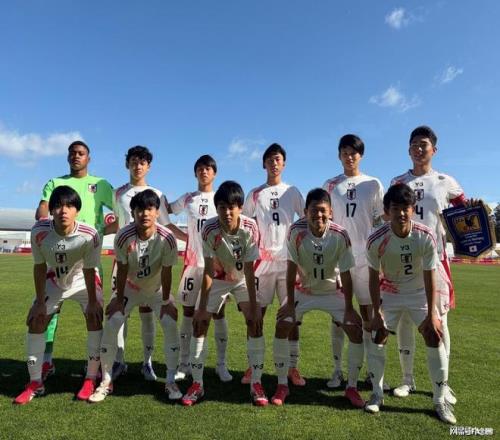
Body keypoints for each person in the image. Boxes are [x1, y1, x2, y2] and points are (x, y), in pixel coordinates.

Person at [365, 183, 456, 425]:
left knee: (434, 334)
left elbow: (430, 276)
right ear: (387, 211)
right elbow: (373, 278)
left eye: (406, 208)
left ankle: (439, 399)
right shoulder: (376, 239)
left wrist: (432, 313)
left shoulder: (424, 236)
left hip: (418, 293)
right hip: (391, 292)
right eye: (395, 208)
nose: (401, 213)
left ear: (413, 209)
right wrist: (376, 313)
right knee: (378, 334)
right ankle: (377, 394)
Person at [390, 126, 465, 405]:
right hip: (404, 258)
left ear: (434, 149)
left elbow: (465, 213)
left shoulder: (446, 181)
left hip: (436, 259)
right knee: (405, 320)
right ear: (408, 150)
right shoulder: (398, 182)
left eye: (424, 144)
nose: (419, 149)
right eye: (414, 144)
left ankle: (444, 383)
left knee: (440, 321)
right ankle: (407, 379)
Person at [271, 188, 365, 407]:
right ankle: (282, 384)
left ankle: (352, 387)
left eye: (323, 210)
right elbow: (291, 269)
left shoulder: (340, 234)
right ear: (306, 212)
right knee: (283, 324)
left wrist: (349, 308)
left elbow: (346, 274)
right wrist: (289, 303)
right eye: (314, 210)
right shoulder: (296, 231)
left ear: (330, 212)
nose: (319, 215)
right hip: (304, 291)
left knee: (354, 329)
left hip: (332, 291)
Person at [89, 189, 182, 402]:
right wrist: (118, 299)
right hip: (130, 287)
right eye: (140, 209)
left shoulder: (167, 238)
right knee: (113, 321)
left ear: (157, 212)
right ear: (132, 213)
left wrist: (166, 301)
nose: (145, 214)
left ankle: (170, 380)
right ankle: (106, 380)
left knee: (169, 322)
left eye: (150, 209)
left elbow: (167, 272)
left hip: (156, 289)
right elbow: (122, 269)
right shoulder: (123, 236)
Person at [14, 186, 103, 404]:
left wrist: (93, 302)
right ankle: (35, 382)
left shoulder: (89, 234)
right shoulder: (39, 231)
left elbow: (89, 269)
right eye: (58, 206)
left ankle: (91, 378)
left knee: (94, 316)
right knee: (36, 320)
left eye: (69, 206)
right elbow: (39, 266)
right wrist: (39, 302)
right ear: (51, 210)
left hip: (82, 278)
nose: (64, 210)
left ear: (77, 211)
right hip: (55, 278)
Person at [181, 181, 265, 406]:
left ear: (240, 207)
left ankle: (256, 383)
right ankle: (197, 384)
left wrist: (254, 306)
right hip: (218, 278)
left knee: (254, 321)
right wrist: (202, 307)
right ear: (216, 208)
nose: (227, 212)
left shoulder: (250, 227)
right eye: (222, 207)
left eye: (232, 207)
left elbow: (250, 269)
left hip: (242, 278)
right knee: (200, 323)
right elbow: (209, 270)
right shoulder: (209, 228)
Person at [35, 140, 113, 381]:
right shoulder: (55, 183)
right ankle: (46, 361)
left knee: (93, 311)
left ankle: (94, 365)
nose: (76, 156)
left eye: (81, 153)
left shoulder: (101, 185)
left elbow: (119, 214)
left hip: (89, 257)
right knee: (49, 314)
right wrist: (48, 228)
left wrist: (101, 231)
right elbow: (42, 210)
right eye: (72, 153)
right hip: (58, 256)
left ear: (89, 158)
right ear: (68, 157)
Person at [109, 146, 185, 382]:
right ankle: (119, 361)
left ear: (149, 166)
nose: (138, 166)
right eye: (133, 161)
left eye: (142, 162)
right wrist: (96, 231)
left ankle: (147, 362)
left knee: (147, 313)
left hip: (150, 259)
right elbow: (117, 223)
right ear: (127, 164)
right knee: (120, 311)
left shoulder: (157, 194)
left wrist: (189, 239)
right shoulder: (118, 193)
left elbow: (166, 225)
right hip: (125, 258)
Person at [323, 134, 385, 389]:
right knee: (339, 316)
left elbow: (382, 221)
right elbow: (325, 221)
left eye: (353, 153)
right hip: (339, 257)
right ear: (339, 156)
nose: (349, 157)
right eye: (345, 153)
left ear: (361, 155)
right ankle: (337, 371)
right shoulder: (330, 185)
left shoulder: (373, 184)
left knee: (369, 314)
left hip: (367, 257)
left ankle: (372, 372)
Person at [242, 143, 305, 386]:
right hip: (263, 262)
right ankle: (253, 365)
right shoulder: (255, 193)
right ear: (264, 164)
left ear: (284, 163)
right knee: (256, 315)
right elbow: (245, 224)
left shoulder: (292, 191)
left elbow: (306, 219)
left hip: (288, 262)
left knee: (291, 317)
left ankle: (292, 367)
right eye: (269, 159)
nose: (274, 163)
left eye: (277, 159)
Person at [168, 155, 232, 382]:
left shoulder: (221, 198)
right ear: (195, 172)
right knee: (187, 313)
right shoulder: (188, 198)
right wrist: (186, 237)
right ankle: (184, 364)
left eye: (208, 168)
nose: (204, 171)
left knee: (218, 313)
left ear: (215, 173)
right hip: (192, 265)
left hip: (216, 267)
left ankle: (221, 365)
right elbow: (165, 213)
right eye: (200, 168)